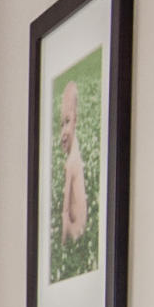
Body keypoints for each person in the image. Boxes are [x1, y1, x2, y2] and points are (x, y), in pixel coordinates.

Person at [56, 78, 89, 247]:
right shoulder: (77, 152)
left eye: (67, 122)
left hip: (76, 231)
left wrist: (62, 242)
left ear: (76, 120)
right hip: (81, 229)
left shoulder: (71, 163)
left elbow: (65, 210)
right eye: (61, 124)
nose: (63, 131)